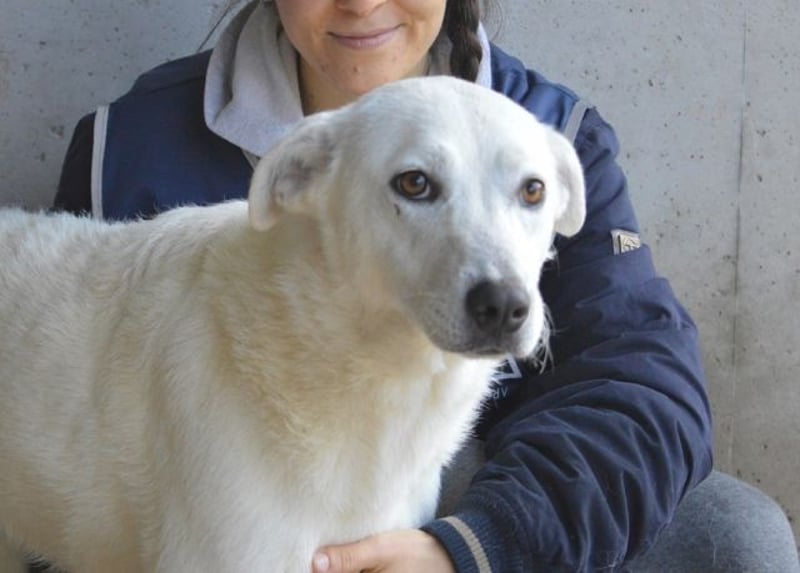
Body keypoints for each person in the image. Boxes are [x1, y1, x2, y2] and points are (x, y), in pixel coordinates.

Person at [50, 1, 799, 571]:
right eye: (416, 184)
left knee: (733, 536)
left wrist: (473, 546)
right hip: (223, 500)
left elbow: (643, 387)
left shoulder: (550, 133)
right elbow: (63, 428)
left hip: (480, 475)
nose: (360, 2)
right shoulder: (132, 146)